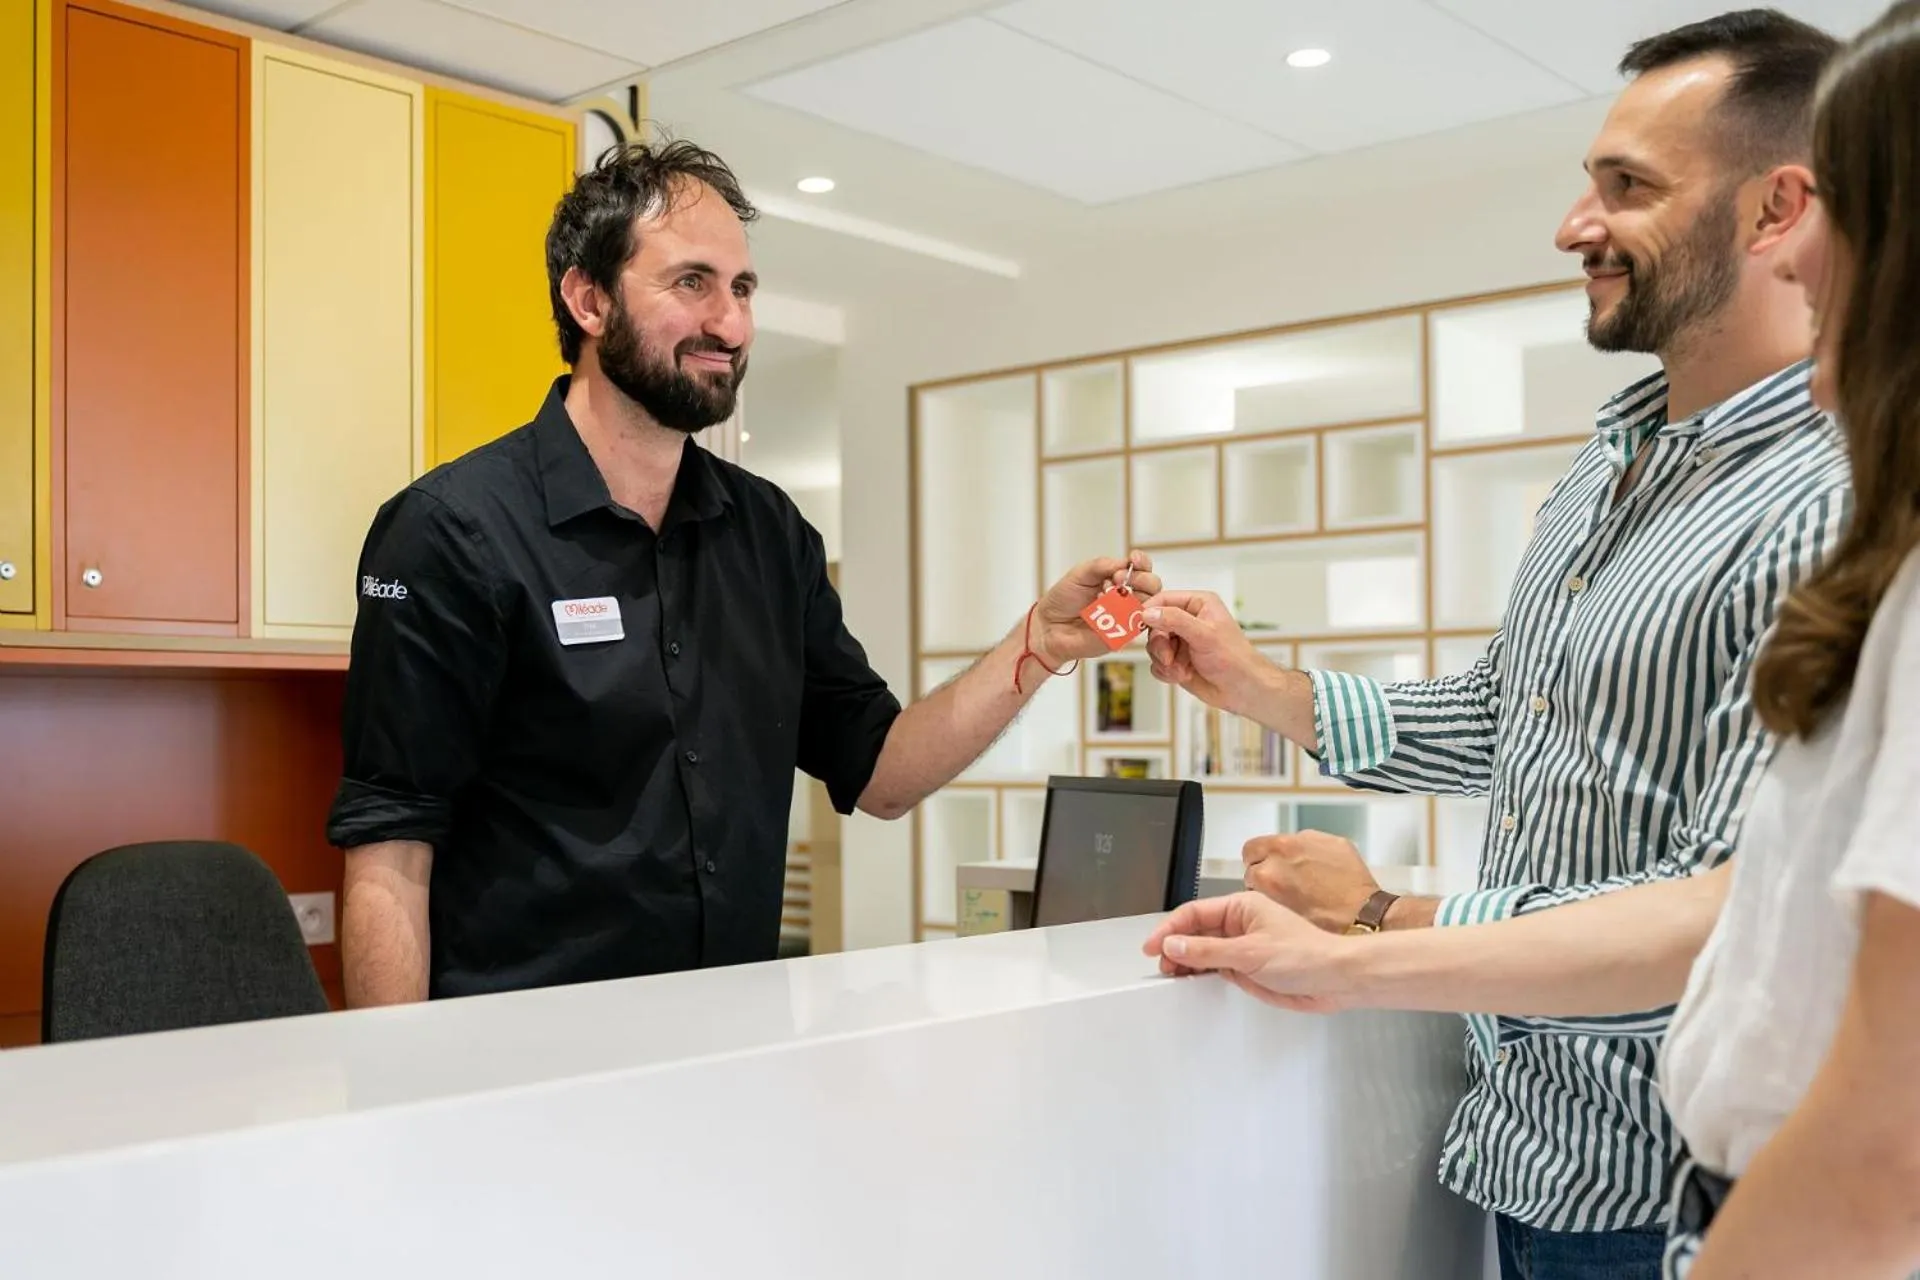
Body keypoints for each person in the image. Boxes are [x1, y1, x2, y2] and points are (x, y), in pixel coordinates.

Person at [1145, 11, 1920, 1273]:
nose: (1575, 226)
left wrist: (1385, 917)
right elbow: (1514, 712)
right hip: (1521, 1138)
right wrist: (1264, 689)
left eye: (1627, 187)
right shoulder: (1606, 461)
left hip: (1660, 1173)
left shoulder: (1834, 499)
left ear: (1780, 210)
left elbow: (1729, 904)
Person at [324, 139, 1158, 1007]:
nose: (729, 323)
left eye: (742, 288)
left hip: (732, 1047)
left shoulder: (769, 534)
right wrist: (395, 1108)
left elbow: (883, 773)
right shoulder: (451, 531)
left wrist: (1042, 641)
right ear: (588, 299)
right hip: (521, 1065)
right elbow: (391, 846)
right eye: (691, 283)